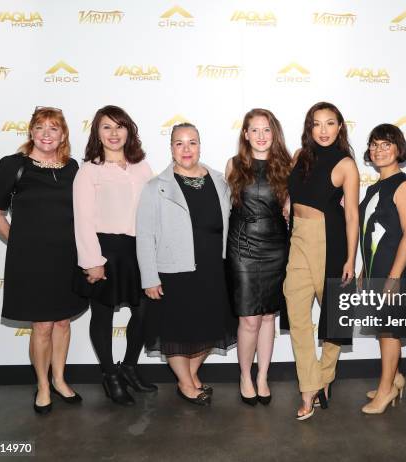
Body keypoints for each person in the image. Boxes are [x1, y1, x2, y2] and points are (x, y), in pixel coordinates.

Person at [0, 107, 88, 414]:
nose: (46, 134)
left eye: (53, 129)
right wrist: (19, 244)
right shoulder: (13, 165)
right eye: (40, 127)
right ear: (30, 131)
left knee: (62, 322)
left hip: (67, 258)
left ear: (63, 135)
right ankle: (42, 385)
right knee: (42, 325)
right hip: (32, 261)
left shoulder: (72, 167)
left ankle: (59, 379)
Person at [137, 123, 237, 406]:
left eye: (192, 142)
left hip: (213, 269)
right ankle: (185, 383)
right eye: (179, 143)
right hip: (173, 271)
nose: (186, 149)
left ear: (200, 145)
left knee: (210, 326)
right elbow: (144, 235)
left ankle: (190, 376)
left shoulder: (219, 181)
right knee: (176, 331)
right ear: (171, 149)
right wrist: (149, 277)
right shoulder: (155, 188)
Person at [73, 105, 157, 406]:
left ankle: (130, 366)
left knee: (146, 312)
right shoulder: (89, 171)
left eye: (119, 126)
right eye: (106, 127)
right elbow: (82, 219)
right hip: (104, 251)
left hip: (139, 250)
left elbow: (152, 211)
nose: (113, 133)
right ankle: (109, 375)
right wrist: (92, 261)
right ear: (97, 132)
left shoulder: (142, 166)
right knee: (103, 316)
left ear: (129, 131)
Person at [284, 102, 360, 420]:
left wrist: (350, 259)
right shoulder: (300, 156)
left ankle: (323, 380)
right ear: (309, 127)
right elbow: (291, 191)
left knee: (333, 318)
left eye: (330, 123)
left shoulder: (346, 164)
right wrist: (287, 204)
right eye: (317, 124)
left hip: (330, 239)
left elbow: (353, 215)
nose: (324, 130)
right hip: (298, 238)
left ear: (340, 127)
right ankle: (310, 385)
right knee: (297, 312)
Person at [225, 109, 292, 406]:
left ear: (273, 133)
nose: (261, 136)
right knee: (249, 318)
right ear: (246, 134)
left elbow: (291, 209)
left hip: (277, 247)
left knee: (267, 317)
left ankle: (263, 376)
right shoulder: (234, 165)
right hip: (243, 248)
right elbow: (225, 208)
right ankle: (244, 375)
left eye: (267, 130)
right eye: (255, 130)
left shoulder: (286, 167)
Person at [358, 124, 406, 414]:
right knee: (384, 330)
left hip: (393, 273)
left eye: (386, 144)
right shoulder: (374, 187)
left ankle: (385, 392)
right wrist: (363, 272)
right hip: (375, 270)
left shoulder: (405, 186)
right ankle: (394, 378)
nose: (378, 150)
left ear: (398, 150)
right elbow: (370, 233)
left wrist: (394, 277)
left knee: (389, 331)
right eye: (374, 144)